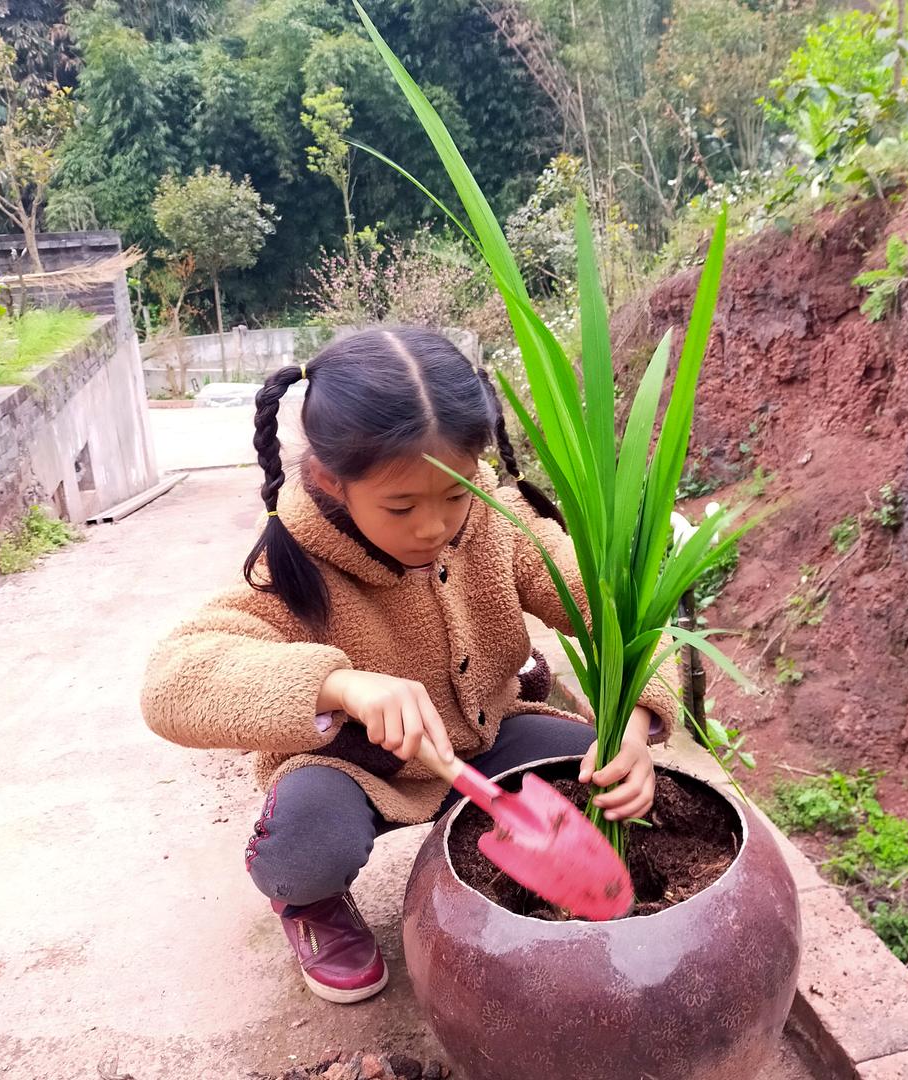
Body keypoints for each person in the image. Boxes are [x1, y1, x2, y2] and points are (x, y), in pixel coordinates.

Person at [141, 327, 676, 1004]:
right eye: (401, 506)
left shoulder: (496, 522)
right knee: (305, 847)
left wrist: (633, 721)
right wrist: (337, 685)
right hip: (360, 769)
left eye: (455, 495)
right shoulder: (292, 559)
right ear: (331, 480)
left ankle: (523, 866)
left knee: (606, 773)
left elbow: (616, 611)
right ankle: (311, 906)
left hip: (486, 744)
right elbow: (173, 680)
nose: (434, 527)